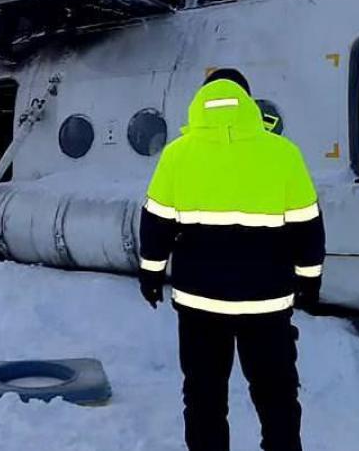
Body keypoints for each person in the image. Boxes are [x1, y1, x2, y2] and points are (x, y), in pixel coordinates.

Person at [138, 68, 324, 451]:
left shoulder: (177, 154)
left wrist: (151, 274)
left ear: (202, 102)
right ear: (248, 102)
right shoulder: (283, 153)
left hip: (199, 304)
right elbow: (308, 224)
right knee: (277, 397)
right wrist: (309, 279)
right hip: (268, 303)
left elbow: (155, 223)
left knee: (204, 398)